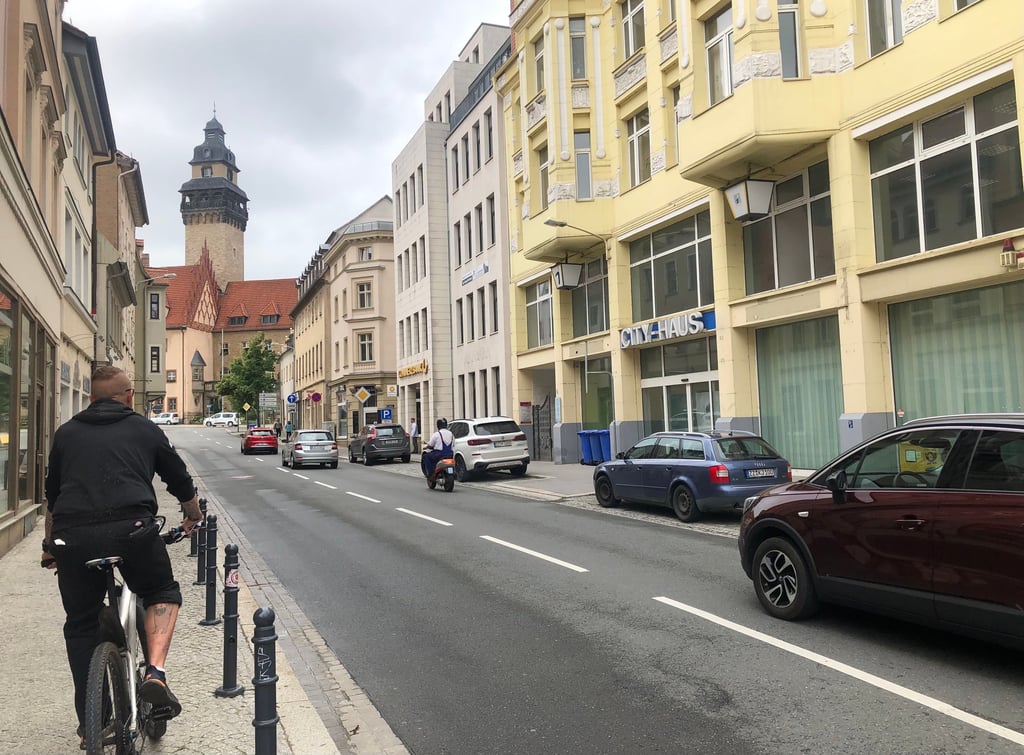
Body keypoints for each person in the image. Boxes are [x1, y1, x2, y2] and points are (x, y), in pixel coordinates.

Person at [42, 366, 204, 743]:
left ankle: (92, 723)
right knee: (161, 590)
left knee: (80, 624)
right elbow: (177, 478)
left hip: (73, 537)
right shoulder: (144, 428)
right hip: (132, 530)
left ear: (90, 399)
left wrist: (50, 547)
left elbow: (53, 496)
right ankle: (156, 674)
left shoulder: (66, 433)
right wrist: (192, 513)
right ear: (129, 395)